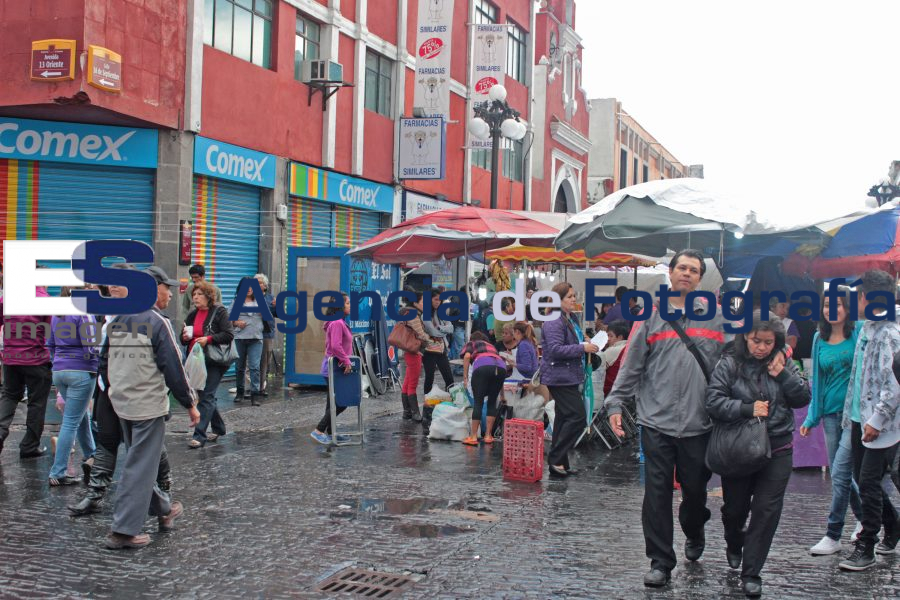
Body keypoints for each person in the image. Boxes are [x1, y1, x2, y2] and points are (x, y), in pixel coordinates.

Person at [606, 249, 728, 588]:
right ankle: (660, 561)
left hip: (699, 423)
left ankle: (694, 527)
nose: (687, 274)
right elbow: (632, 367)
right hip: (656, 421)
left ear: (700, 279)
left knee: (694, 492)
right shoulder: (651, 318)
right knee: (656, 493)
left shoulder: (717, 318)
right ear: (670, 274)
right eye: (682, 268)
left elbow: (733, 364)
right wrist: (615, 404)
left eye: (694, 270)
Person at [706, 314, 810, 597]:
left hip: (777, 447)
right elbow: (713, 401)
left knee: (766, 511)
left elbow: (803, 398)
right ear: (745, 338)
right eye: (756, 341)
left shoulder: (784, 362)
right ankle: (733, 540)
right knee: (735, 509)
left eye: (768, 342)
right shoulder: (729, 363)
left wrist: (784, 375)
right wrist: (745, 408)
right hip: (738, 447)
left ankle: (752, 571)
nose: (762, 348)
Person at [69, 266, 181, 517]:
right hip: (108, 390)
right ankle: (95, 493)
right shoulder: (102, 312)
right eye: (110, 283)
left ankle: (163, 491)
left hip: (140, 394)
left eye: (119, 283)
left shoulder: (145, 316)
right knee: (107, 441)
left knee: (150, 445)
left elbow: (168, 360)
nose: (113, 287)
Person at [103, 267, 200, 549]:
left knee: (141, 461)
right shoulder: (156, 321)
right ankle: (123, 530)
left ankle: (164, 509)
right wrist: (190, 404)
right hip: (145, 405)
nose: (169, 292)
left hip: (121, 401)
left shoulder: (117, 321)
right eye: (165, 287)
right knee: (139, 465)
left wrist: (109, 393)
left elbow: (104, 360)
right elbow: (174, 367)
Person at [838, 270, 900, 571]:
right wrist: (852, 415)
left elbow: (893, 384)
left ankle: (867, 545)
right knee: (866, 483)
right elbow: (859, 375)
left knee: (869, 483)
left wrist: (876, 419)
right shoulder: (866, 329)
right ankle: (893, 524)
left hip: (881, 425)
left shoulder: (890, 333)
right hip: (858, 417)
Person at [800, 290, 863, 555]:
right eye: (826, 304)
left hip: (854, 417)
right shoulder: (819, 338)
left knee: (840, 473)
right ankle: (869, 519)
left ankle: (833, 534)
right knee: (842, 475)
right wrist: (812, 416)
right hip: (828, 415)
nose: (831, 309)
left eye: (837, 304)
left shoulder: (858, 332)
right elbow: (819, 379)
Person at [542, 281, 600, 478]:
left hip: (570, 375)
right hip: (558, 376)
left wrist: (586, 342)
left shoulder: (571, 318)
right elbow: (555, 350)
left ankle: (560, 464)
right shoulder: (553, 320)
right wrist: (582, 348)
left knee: (563, 418)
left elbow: (572, 341)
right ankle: (555, 456)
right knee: (577, 416)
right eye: (569, 296)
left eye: (574, 296)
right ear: (559, 299)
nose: (574, 299)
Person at [47, 287, 98, 486]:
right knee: (71, 421)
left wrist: (58, 362)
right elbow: (90, 347)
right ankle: (58, 472)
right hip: (81, 372)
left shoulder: (57, 314)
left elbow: (50, 344)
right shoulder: (83, 313)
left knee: (79, 414)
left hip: (60, 371)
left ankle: (92, 455)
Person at [0, 286, 53, 459]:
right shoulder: (43, 298)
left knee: (9, 396)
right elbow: (49, 330)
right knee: (36, 402)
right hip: (36, 358)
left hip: (10, 357)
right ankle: (30, 445)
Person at [183, 281, 235, 448]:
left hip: (214, 361)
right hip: (197, 360)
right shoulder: (192, 314)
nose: (195, 298)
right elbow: (184, 337)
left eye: (199, 294)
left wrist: (209, 339)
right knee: (207, 395)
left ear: (208, 296)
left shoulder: (219, 312)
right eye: (194, 295)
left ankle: (199, 435)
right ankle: (219, 427)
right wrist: (183, 337)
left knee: (206, 395)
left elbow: (228, 334)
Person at [310, 293, 353, 445]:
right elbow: (335, 346)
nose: (350, 306)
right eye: (348, 303)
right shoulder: (337, 323)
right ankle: (319, 430)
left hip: (335, 368)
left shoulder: (338, 322)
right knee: (342, 402)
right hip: (334, 369)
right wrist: (347, 361)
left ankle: (330, 433)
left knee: (332, 403)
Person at [460, 331, 508, 446]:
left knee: (478, 402)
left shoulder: (472, 343)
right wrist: (502, 395)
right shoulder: (491, 347)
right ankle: (488, 436)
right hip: (501, 368)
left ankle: (473, 436)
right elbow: (496, 366)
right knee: (491, 402)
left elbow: (467, 357)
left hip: (482, 367)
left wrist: (465, 377)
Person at [231, 277, 265, 406]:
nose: (249, 289)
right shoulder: (236, 302)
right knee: (239, 367)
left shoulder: (260, 301)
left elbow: (271, 316)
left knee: (254, 367)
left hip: (256, 338)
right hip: (240, 338)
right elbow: (229, 320)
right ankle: (240, 393)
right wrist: (237, 322)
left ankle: (254, 395)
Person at [399, 291, 432, 422]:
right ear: (415, 303)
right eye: (423, 301)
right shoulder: (413, 315)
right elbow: (421, 333)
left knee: (407, 382)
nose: (426, 304)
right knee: (412, 383)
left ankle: (407, 412)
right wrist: (432, 340)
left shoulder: (407, 312)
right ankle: (415, 413)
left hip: (409, 351)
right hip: (414, 351)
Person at [422, 289, 455, 395]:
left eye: (439, 300)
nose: (438, 302)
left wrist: (440, 328)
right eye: (435, 299)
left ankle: (452, 401)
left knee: (449, 378)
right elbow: (432, 331)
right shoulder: (426, 314)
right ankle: (427, 403)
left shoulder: (441, 313)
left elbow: (451, 328)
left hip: (441, 349)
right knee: (429, 379)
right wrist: (443, 331)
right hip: (429, 351)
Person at [255, 273, 277, 397]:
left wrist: (277, 305)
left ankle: (262, 387)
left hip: (267, 333)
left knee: (264, 361)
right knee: (251, 361)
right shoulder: (249, 297)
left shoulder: (270, 298)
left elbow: (278, 314)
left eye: (259, 283)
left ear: (265, 285)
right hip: (252, 333)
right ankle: (251, 387)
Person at [601, 319, 630, 397]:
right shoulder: (629, 347)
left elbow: (596, 367)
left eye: (611, 335)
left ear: (620, 337)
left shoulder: (613, 350)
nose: (608, 339)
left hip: (608, 392)